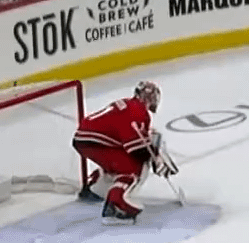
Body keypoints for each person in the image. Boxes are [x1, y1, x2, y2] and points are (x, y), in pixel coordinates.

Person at [72, 80, 176, 225]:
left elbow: (128, 135)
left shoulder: (129, 104)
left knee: (119, 161)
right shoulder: (139, 112)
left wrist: (152, 151)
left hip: (84, 138)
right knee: (134, 168)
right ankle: (115, 207)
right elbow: (136, 150)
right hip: (95, 141)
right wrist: (155, 159)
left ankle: (95, 189)